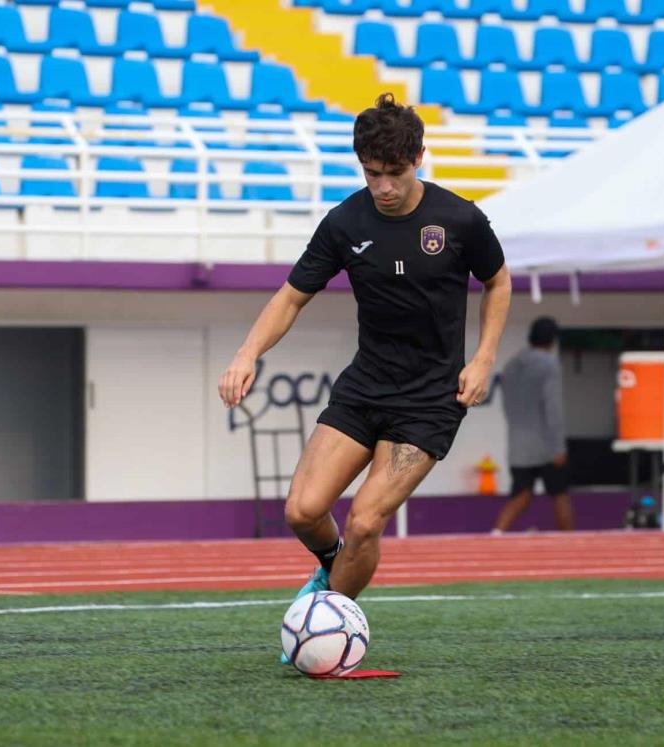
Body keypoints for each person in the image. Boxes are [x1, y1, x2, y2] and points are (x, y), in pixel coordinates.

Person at [218, 94, 512, 614]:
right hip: (364, 387)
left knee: (364, 521)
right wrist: (247, 354)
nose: (383, 187)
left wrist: (484, 357)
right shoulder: (344, 222)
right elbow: (291, 297)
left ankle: (325, 622)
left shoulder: (460, 220)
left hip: (429, 401)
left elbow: (498, 280)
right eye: (372, 173)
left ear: (418, 157)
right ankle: (335, 566)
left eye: (394, 173)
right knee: (303, 511)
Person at [492, 317, 572, 533]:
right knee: (560, 494)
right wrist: (558, 448)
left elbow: (507, 405)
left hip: (518, 443)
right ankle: (570, 544)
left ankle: (496, 534)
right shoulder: (549, 365)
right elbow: (553, 409)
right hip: (546, 444)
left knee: (521, 494)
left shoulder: (512, 365)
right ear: (552, 340)